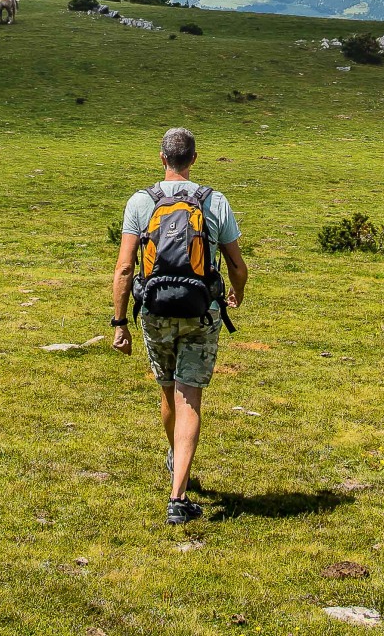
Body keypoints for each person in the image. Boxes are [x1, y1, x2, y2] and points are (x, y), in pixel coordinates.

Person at [111, 127, 248, 525]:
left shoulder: (141, 202)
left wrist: (120, 322)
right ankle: (178, 497)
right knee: (191, 395)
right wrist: (235, 294)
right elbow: (237, 265)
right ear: (194, 159)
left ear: (161, 158)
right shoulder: (214, 201)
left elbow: (124, 268)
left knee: (168, 391)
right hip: (201, 312)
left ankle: (176, 461)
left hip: (154, 311)